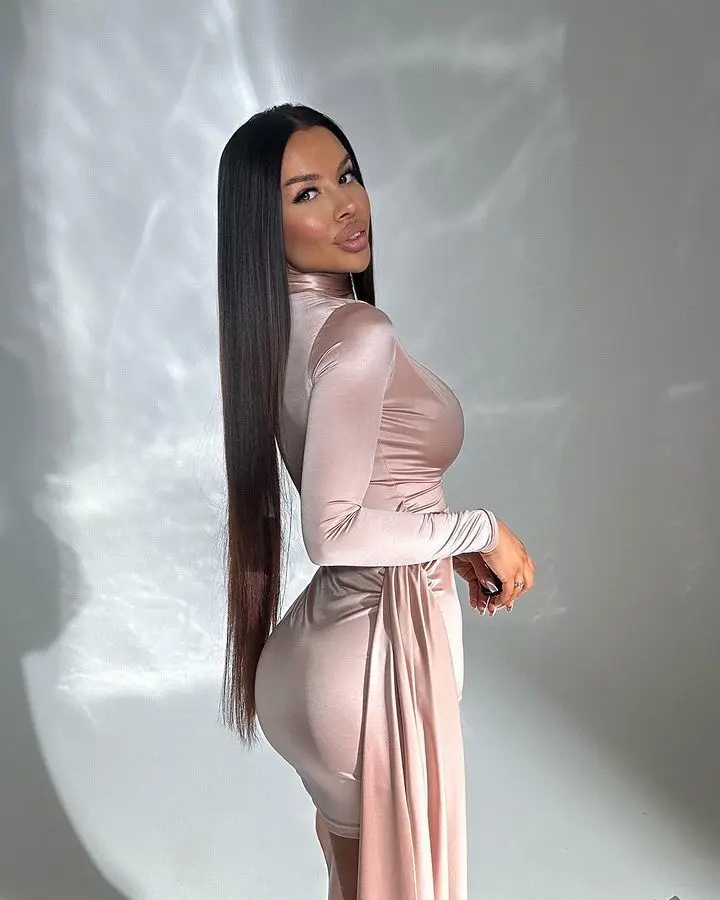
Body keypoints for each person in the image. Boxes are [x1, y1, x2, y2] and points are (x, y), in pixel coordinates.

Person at [216, 103, 535, 900]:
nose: (346, 205)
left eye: (347, 176)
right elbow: (333, 531)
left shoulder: (278, 330)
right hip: (369, 667)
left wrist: (444, 544)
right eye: (307, 193)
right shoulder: (357, 333)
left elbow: (370, 487)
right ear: (261, 223)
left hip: (319, 665)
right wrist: (480, 529)